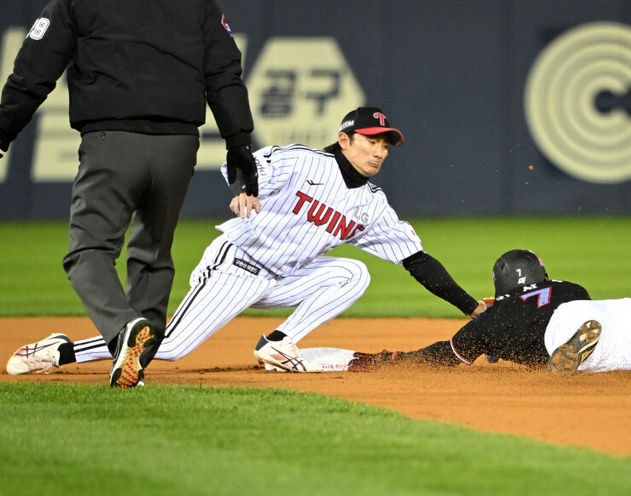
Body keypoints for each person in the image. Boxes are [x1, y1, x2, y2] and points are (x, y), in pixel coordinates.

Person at [6, 106, 487, 381]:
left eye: (386, 144)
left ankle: (278, 342)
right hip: (238, 265)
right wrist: (244, 191)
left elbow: (416, 259)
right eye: (371, 140)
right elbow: (242, 164)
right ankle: (60, 350)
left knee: (353, 272)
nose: (380, 150)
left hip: (287, 279)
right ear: (345, 140)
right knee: (170, 347)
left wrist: (469, 306)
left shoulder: (374, 205)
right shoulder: (302, 162)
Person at [0, 0, 259, 388]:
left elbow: (33, 71)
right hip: (179, 144)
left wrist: (3, 129)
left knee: (88, 250)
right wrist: (238, 143)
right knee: (154, 253)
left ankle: (124, 329)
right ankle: (137, 355)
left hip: (112, 140)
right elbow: (224, 73)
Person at [340, 249, 631, 376]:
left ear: (500, 287)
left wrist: (391, 360)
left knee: (579, 354)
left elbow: (444, 353)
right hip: (619, 308)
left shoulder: (491, 321)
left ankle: (573, 354)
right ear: (541, 273)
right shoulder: (568, 286)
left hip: (569, 332)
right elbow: (537, 306)